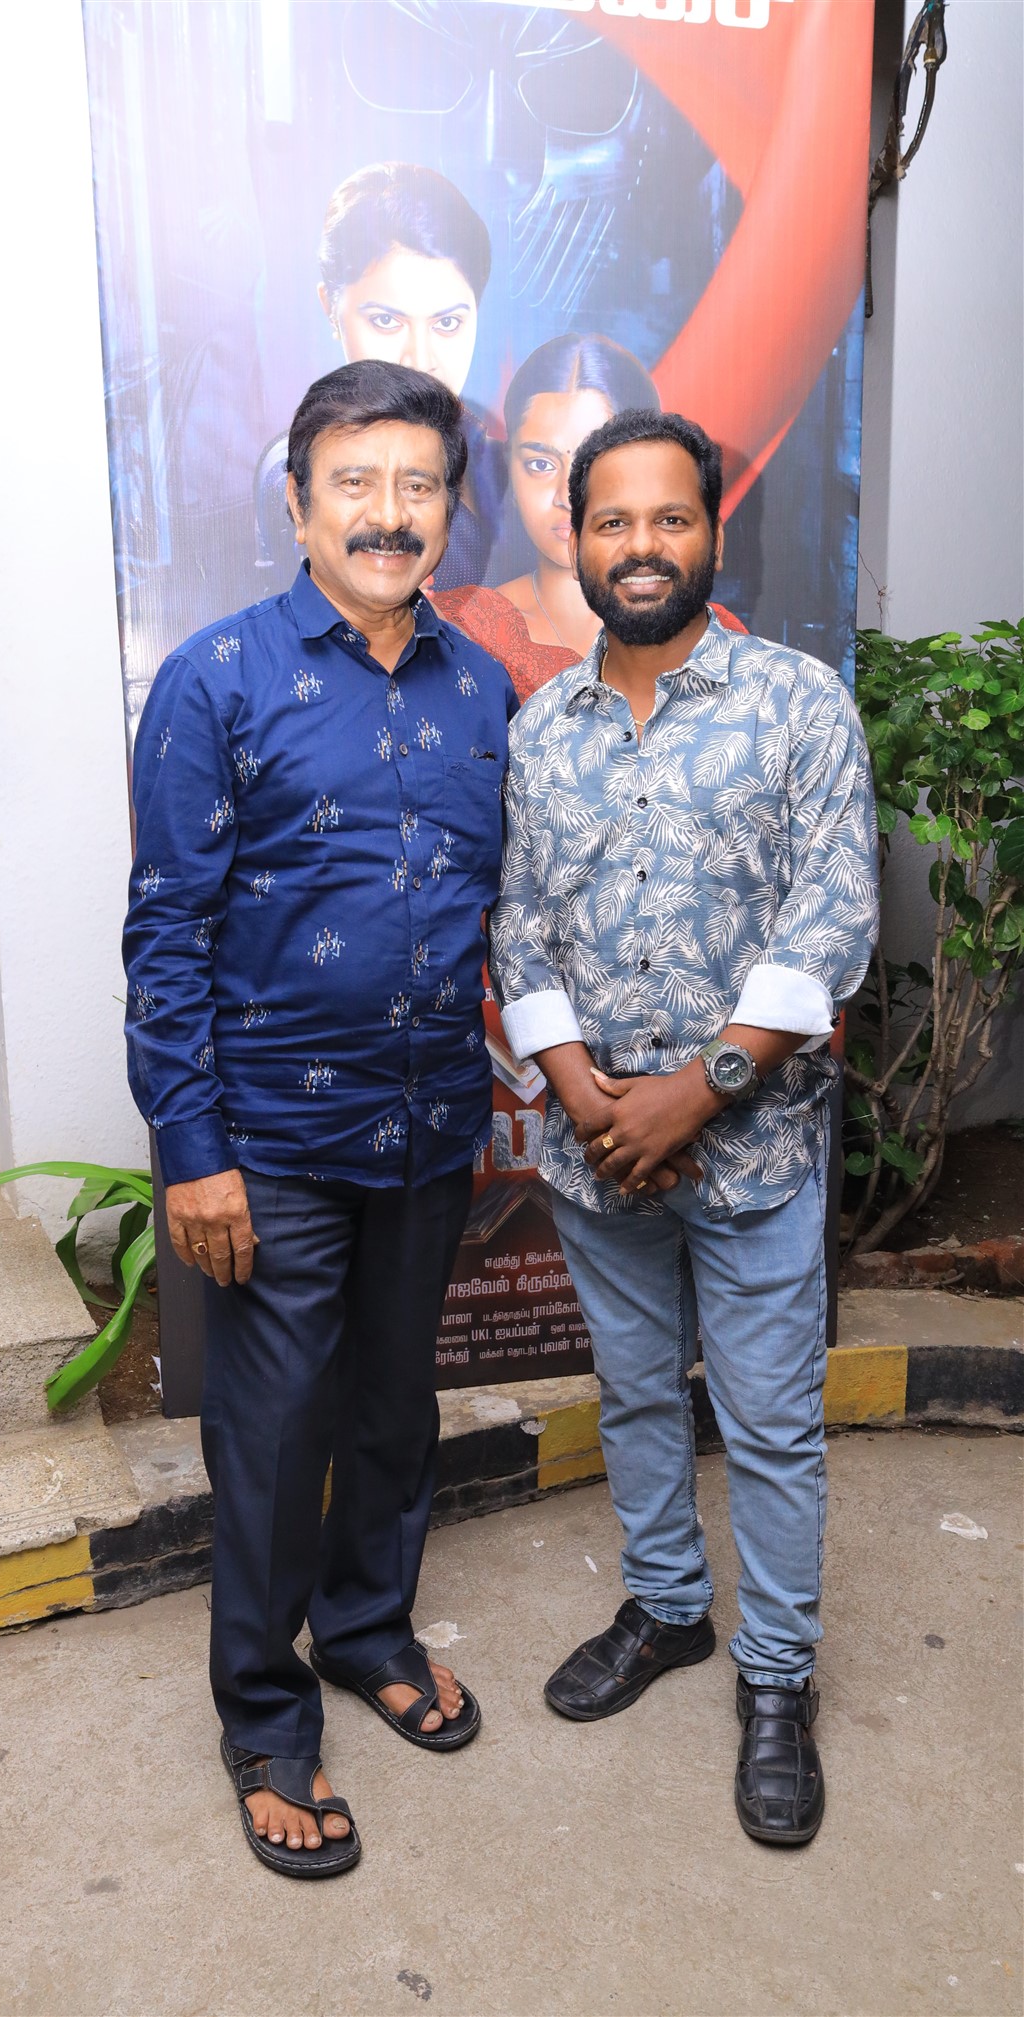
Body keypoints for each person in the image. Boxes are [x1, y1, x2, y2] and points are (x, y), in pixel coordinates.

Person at [125, 360, 516, 1878]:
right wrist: (193, 1153)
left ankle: (365, 1630)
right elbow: (167, 936)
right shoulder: (215, 678)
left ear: (451, 510)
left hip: (431, 1125)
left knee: (396, 1408)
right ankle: (266, 1716)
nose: (387, 513)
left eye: (417, 485)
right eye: (355, 482)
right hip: (272, 1145)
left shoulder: (480, 686)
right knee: (277, 1434)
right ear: (297, 504)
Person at [490, 408, 879, 1845]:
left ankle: (777, 1675)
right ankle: (667, 1608)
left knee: (770, 1424)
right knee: (640, 1393)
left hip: (753, 1144)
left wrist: (696, 1089)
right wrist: (579, 1086)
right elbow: (516, 922)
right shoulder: (540, 729)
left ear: (713, 529)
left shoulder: (798, 704)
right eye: (614, 521)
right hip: (597, 1147)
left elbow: (834, 917)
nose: (641, 545)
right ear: (576, 537)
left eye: (669, 517)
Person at [434, 334, 747, 701]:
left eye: (594, 464)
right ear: (511, 469)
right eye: (540, 464)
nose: (566, 496)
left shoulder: (713, 636)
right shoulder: (457, 628)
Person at [255, 162, 503, 590]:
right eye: (387, 321)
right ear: (330, 309)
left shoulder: (503, 464)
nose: (419, 359)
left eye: (447, 323)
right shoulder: (298, 472)